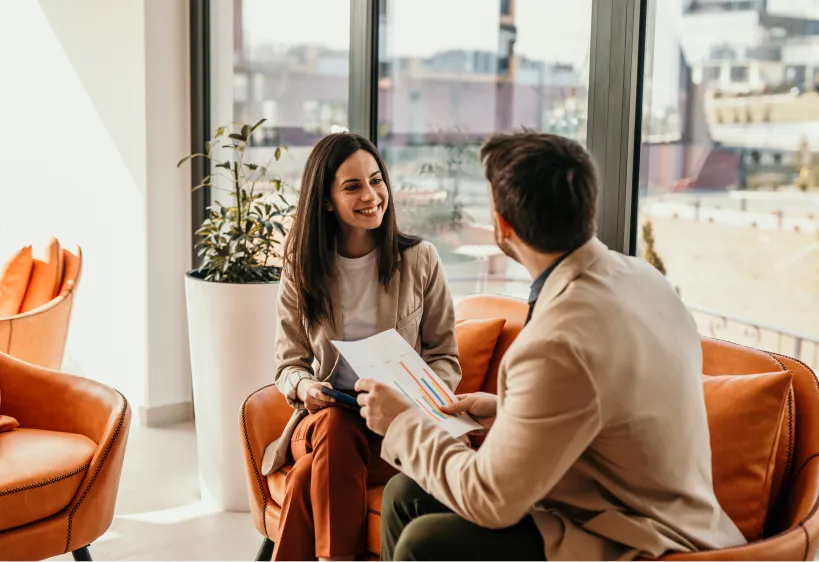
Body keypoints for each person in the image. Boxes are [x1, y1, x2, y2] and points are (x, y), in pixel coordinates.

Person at [354, 132, 747, 562]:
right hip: (652, 509)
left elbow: (490, 500)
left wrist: (403, 423)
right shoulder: (644, 279)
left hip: (639, 538)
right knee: (405, 492)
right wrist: (507, 406)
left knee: (424, 543)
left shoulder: (556, 343)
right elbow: (611, 398)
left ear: (502, 226)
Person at [262, 132, 462, 562]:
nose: (371, 195)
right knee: (336, 425)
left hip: (392, 423)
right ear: (328, 200)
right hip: (323, 419)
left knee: (305, 482)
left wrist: (412, 394)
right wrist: (303, 388)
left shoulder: (420, 259)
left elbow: (445, 356)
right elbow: (288, 363)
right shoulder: (302, 265)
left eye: (376, 180)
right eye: (352, 186)